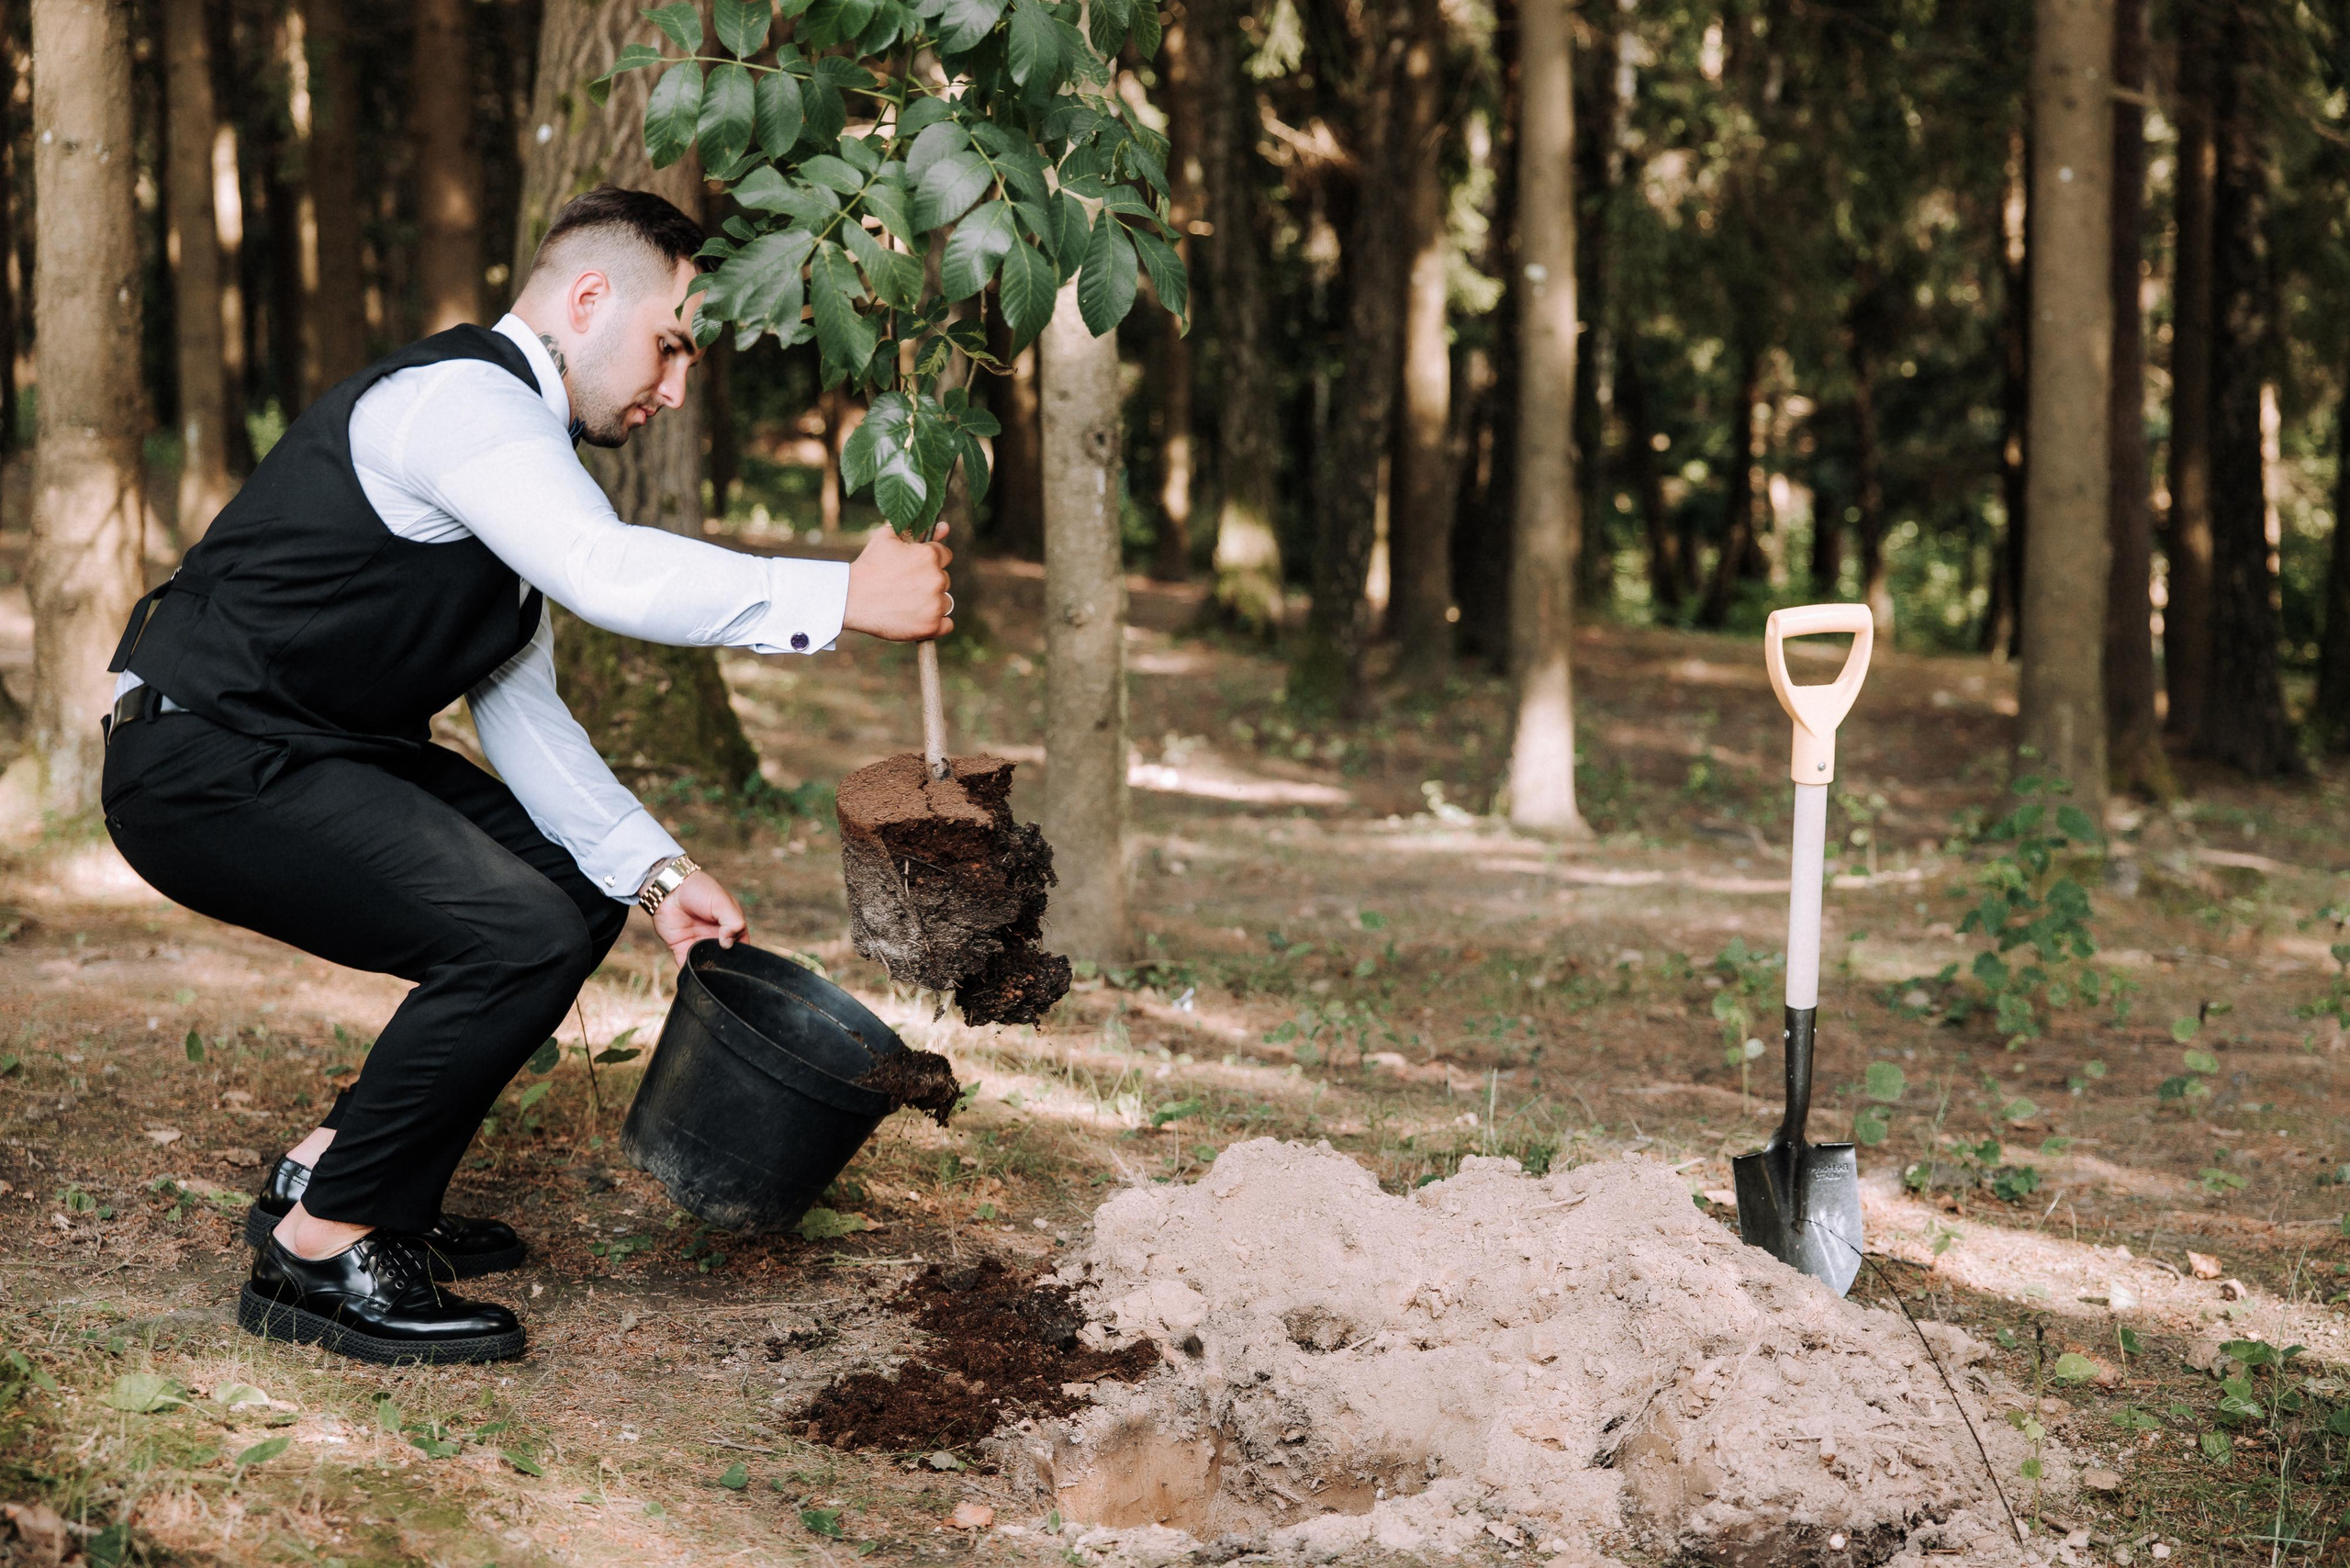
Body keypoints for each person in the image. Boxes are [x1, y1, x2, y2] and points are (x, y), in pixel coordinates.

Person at [98, 187, 952, 1365]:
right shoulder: (466, 403)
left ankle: (338, 1168)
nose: (673, 388)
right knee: (510, 929)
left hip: (304, 751)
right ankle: (318, 1252)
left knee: (568, 881)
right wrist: (838, 597)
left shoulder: (515, 471)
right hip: (200, 755)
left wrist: (656, 876)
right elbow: (607, 571)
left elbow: (527, 717)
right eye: (671, 345)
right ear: (589, 299)